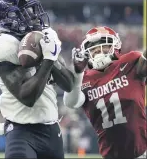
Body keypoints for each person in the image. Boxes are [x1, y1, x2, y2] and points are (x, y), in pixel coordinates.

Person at [0, 0, 74, 158]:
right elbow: (27, 98)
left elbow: (69, 84)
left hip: (52, 130)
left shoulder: (45, 35)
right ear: (9, 18)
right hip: (22, 131)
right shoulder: (3, 45)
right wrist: (47, 60)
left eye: (33, 10)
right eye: (27, 12)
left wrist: (52, 57)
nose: (34, 15)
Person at [63, 26, 147, 159]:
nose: (97, 49)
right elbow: (70, 102)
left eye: (103, 44)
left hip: (141, 152)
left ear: (115, 45)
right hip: (110, 155)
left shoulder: (129, 62)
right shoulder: (84, 78)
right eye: (92, 47)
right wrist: (77, 73)